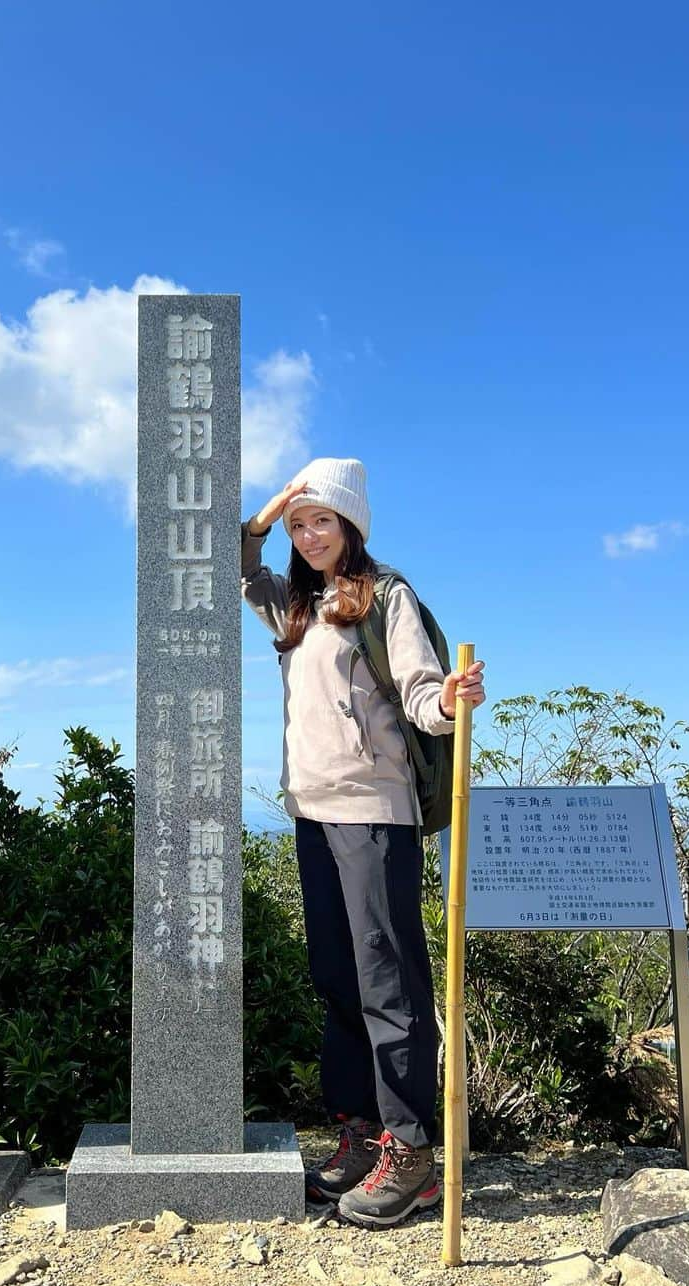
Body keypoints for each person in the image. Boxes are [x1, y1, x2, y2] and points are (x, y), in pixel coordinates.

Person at [241, 456, 486, 1229]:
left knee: (389, 982)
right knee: (337, 977)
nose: (310, 535)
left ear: (351, 524)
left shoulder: (387, 596)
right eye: (298, 524)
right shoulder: (294, 605)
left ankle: (411, 1154)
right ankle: (360, 1131)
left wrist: (446, 701)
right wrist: (264, 513)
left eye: (322, 520)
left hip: (374, 813)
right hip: (311, 811)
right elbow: (231, 565)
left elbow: (418, 692)